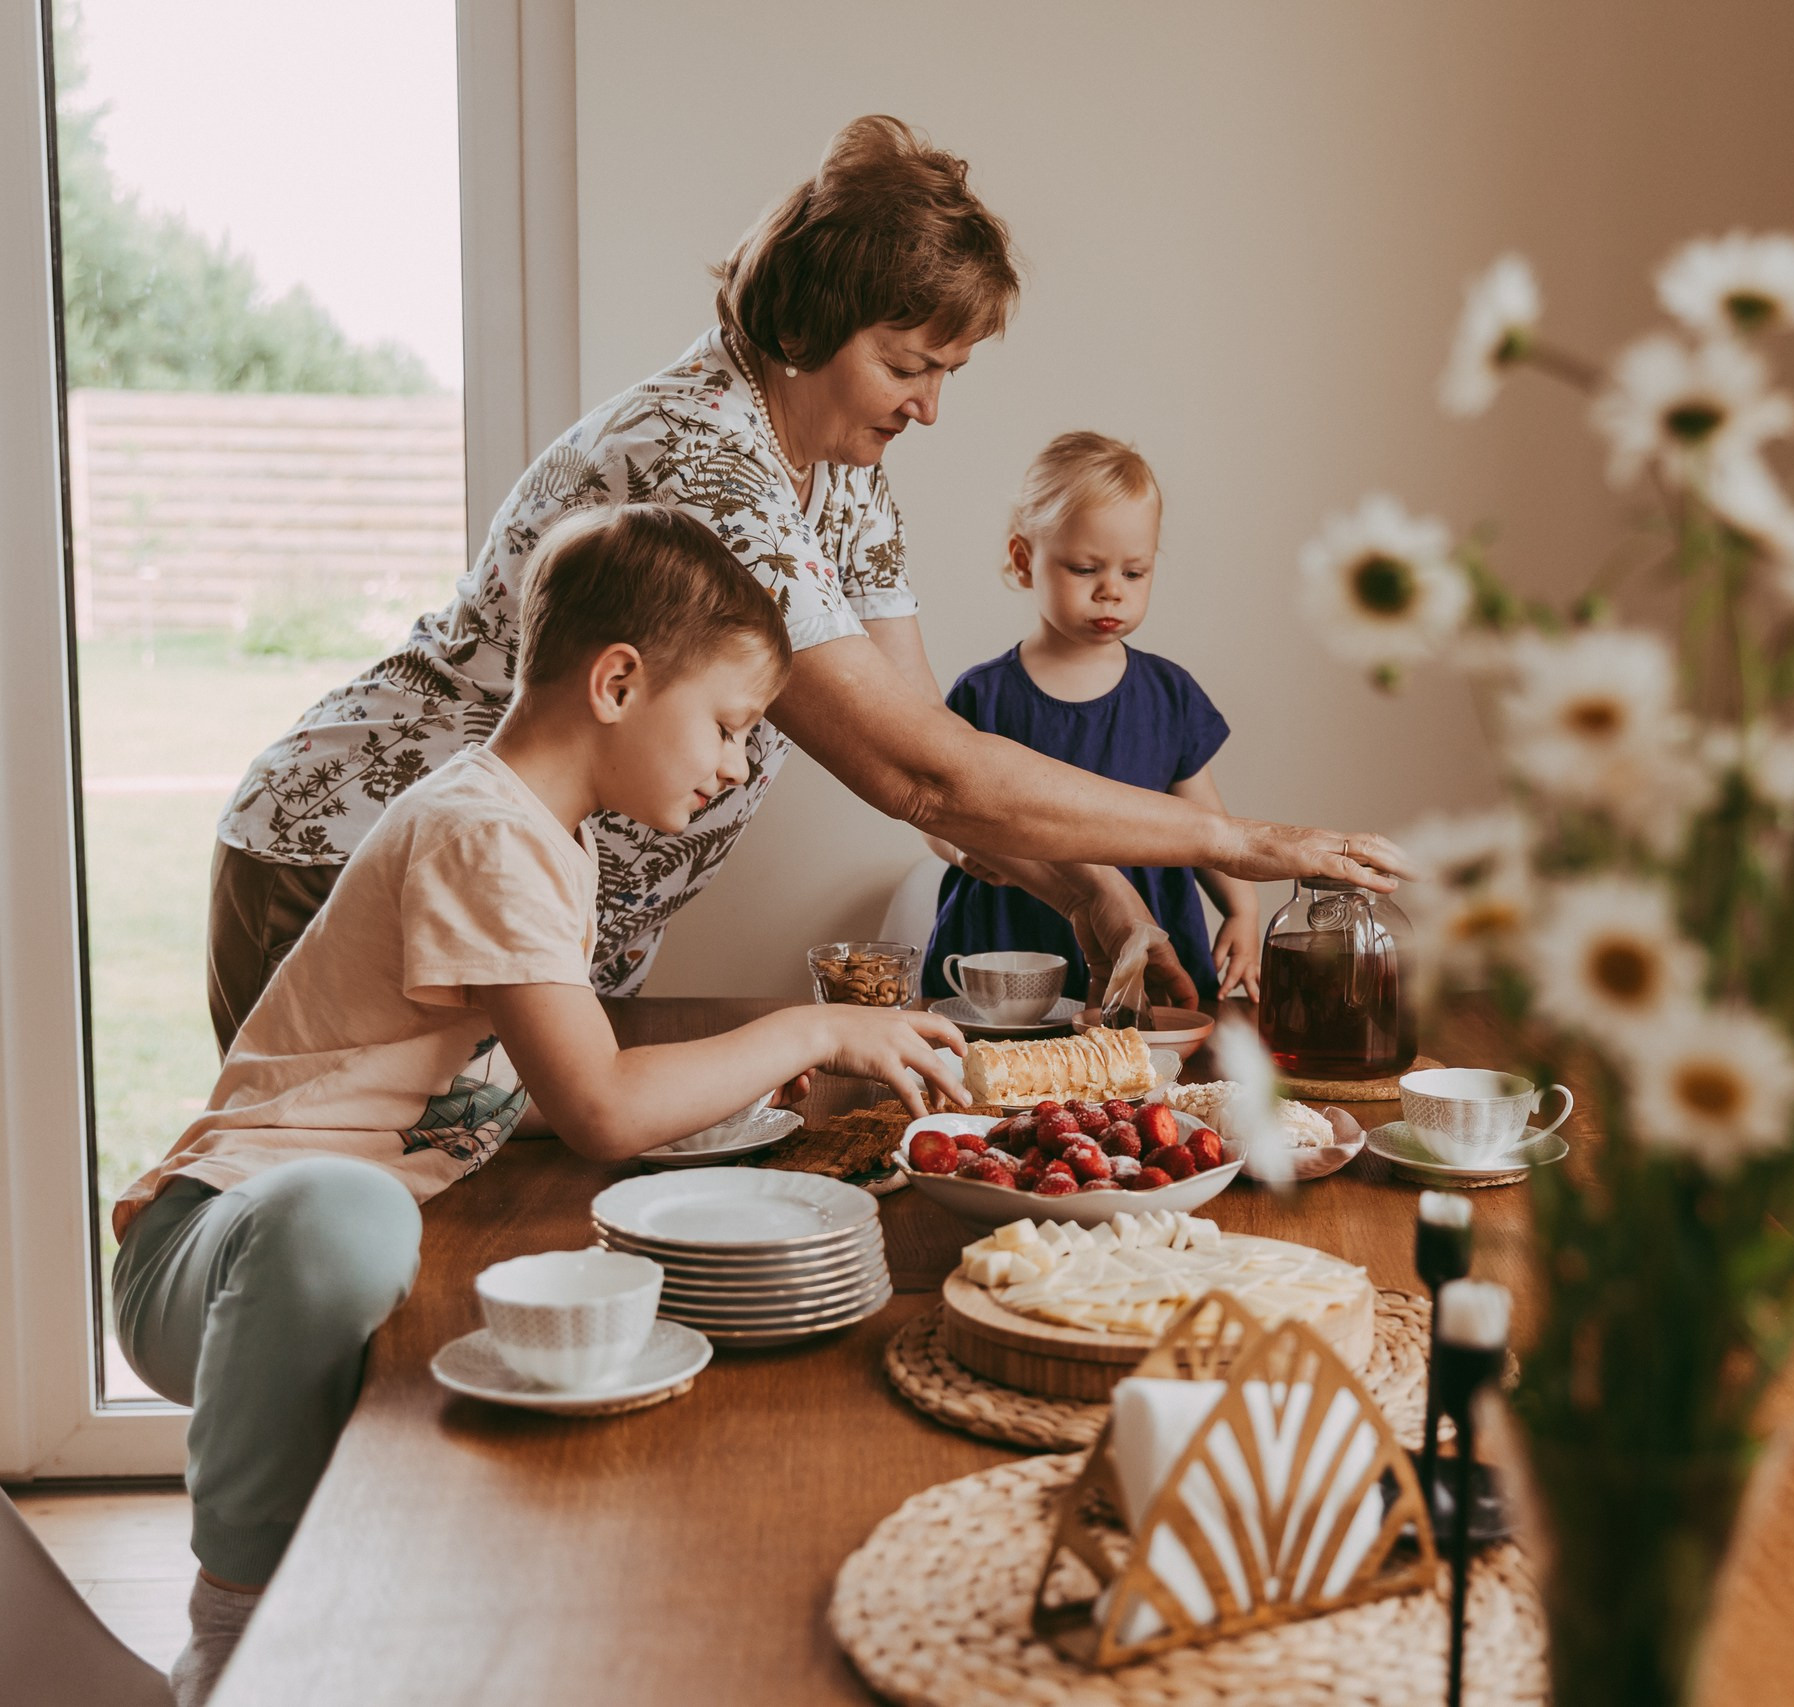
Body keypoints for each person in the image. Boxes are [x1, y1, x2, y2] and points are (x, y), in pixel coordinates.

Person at [207, 114, 1404, 1051]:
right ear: (806, 323)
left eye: (947, 371)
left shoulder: (837, 474)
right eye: (906, 364)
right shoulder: (705, 463)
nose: (929, 405)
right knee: (377, 1279)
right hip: (352, 859)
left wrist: (1099, 901)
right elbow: (927, 778)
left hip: (535, 919)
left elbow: (925, 738)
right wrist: (1230, 840)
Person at [114, 506, 972, 1706]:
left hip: (339, 1228)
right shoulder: (482, 833)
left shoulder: (547, 839)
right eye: (729, 727)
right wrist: (811, 1022)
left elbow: (543, 1085)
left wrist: (770, 1083)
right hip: (224, 1244)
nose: (734, 765)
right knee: (350, 1216)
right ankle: (235, 1621)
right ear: (618, 681)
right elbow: (602, 1108)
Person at [924, 433, 1259, 1006]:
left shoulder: (1169, 693)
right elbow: (935, 808)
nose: (1111, 592)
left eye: (1135, 573)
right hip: (1011, 933)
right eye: (1085, 569)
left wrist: (1243, 908)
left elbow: (1205, 823)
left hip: (1147, 925)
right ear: (1024, 561)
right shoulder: (985, 695)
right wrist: (960, 850)